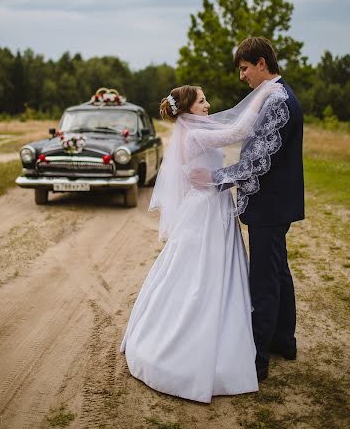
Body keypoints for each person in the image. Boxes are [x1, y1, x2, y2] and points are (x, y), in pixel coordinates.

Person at [120, 80, 286, 403]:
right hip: (206, 212)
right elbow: (239, 130)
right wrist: (264, 92)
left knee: (210, 274)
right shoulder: (195, 134)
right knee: (200, 277)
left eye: (206, 100)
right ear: (187, 111)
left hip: (214, 207)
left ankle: (227, 337)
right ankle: (186, 352)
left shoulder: (194, 130)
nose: (208, 106)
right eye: (201, 102)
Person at [208, 36, 304, 382]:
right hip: (275, 205)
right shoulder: (277, 95)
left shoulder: (278, 101)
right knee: (279, 272)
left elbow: (259, 160)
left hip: (271, 207)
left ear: (262, 63)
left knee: (263, 280)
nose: (242, 76)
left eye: (245, 68)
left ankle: (257, 358)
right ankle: (284, 341)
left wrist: (215, 177)